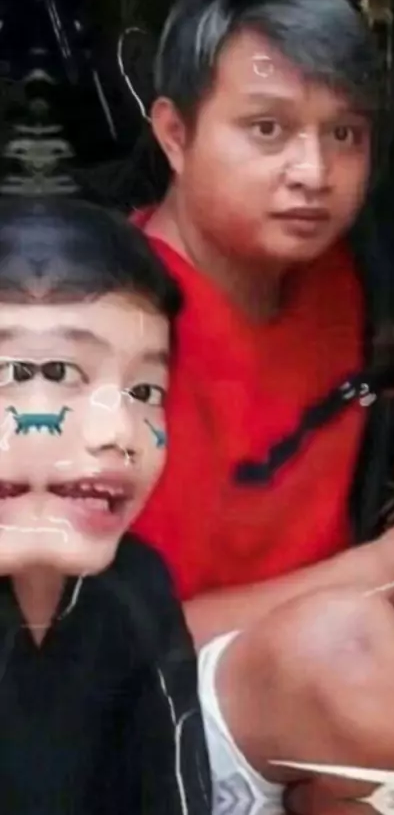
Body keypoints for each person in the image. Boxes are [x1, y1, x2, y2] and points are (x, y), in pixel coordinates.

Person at [129, 0, 394, 811]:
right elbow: (108, 647)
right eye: (268, 129)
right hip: (159, 701)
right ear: (175, 134)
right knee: (347, 654)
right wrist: (390, 571)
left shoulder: (337, 282)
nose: (313, 172)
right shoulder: (114, 332)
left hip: (356, 643)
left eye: (344, 134)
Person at [0, 197, 211, 815]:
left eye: (146, 390)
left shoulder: (136, 591)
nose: (120, 431)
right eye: (49, 371)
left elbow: (175, 792)